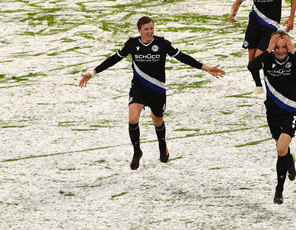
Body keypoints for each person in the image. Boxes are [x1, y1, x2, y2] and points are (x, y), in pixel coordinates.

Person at [79, 16, 226, 169]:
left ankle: (162, 146)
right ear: (139, 31)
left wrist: (205, 67)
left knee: (158, 121)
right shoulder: (132, 44)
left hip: (157, 90)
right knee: (133, 119)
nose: (150, 31)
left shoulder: (162, 44)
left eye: (151, 28)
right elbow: (113, 59)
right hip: (139, 88)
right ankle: (137, 152)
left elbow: (182, 57)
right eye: (146, 29)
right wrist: (93, 72)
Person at [247, 32, 296, 204]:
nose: (280, 50)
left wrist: (294, 51)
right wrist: (267, 50)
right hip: (272, 111)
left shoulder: (294, 59)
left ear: (288, 46)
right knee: (282, 148)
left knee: (280, 149)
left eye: (283, 47)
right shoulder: (267, 59)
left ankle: (279, 189)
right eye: (277, 47)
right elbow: (252, 67)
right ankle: (289, 160)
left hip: (291, 110)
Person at [230, 0, 296, 94]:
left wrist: (291, 18)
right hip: (253, 26)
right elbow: (238, 1)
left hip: (270, 28)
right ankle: (258, 86)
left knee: (258, 59)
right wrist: (233, 12)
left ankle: (272, 81)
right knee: (251, 62)